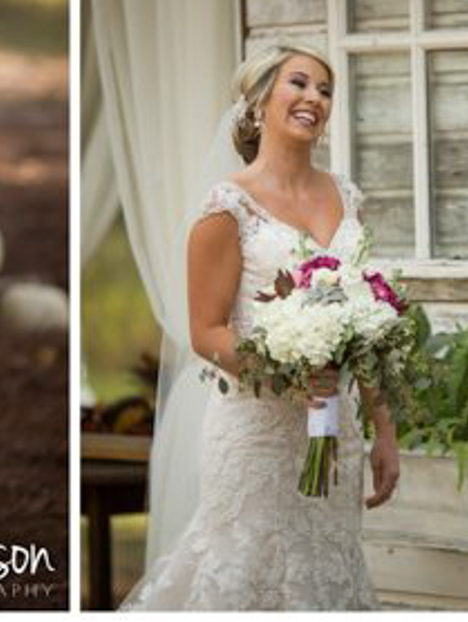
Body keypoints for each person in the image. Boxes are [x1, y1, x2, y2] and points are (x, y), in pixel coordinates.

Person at [123, 45, 398, 610]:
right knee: (247, 570)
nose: (314, 99)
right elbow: (206, 331)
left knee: (327, 568)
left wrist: (382, 427)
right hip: (257, 436)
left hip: (334, 431)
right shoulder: (227, 208)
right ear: (258, 103)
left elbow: (365, 320)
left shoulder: (346, 197)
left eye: (325, 91)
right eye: (299, 84)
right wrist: (286, 374)